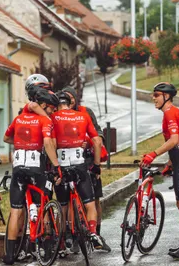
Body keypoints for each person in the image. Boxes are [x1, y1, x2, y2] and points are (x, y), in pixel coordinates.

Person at [2, 90, 61, 265]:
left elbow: (6, 138)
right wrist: (56, 166)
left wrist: (23, 143)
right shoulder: (45, 121)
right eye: (51, 108)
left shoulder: (19, 118)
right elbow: (48, 143)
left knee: (16, 211)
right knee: (42, 205)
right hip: (36, 169)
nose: (52, 112)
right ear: (44, 105)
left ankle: (10, 255)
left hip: (19, 167)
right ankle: (46, 247)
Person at [141, 82, 179, 260]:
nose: (153, 98)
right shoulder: (170, 113)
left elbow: (174, 140)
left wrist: (153, 154)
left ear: (166, 96)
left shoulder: (170, 113)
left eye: (156, 95)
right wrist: (171, 163)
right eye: (153, 94)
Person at [51, 91, 104, 253]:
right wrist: (96, 164)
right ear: (69, 103)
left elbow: (50, 142)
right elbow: (96, 140)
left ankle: (64, 235)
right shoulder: (83, 116)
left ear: (57, 105)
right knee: (90, 203)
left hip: (62, 165)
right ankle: (93, 233)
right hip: (80, 164)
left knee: (63, 204)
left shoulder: (53, 118)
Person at [62, 87, 111, 252]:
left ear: (75, 100)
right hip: (70, 161)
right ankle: (70, 234)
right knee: (69, 199)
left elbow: (98, 135)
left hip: (88, 159)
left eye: (72, 98)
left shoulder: (86, 112)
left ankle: (96, 233)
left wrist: (87, 141)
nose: (70, 102)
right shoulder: (58, 114)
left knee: (95, 199)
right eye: (66, 99)